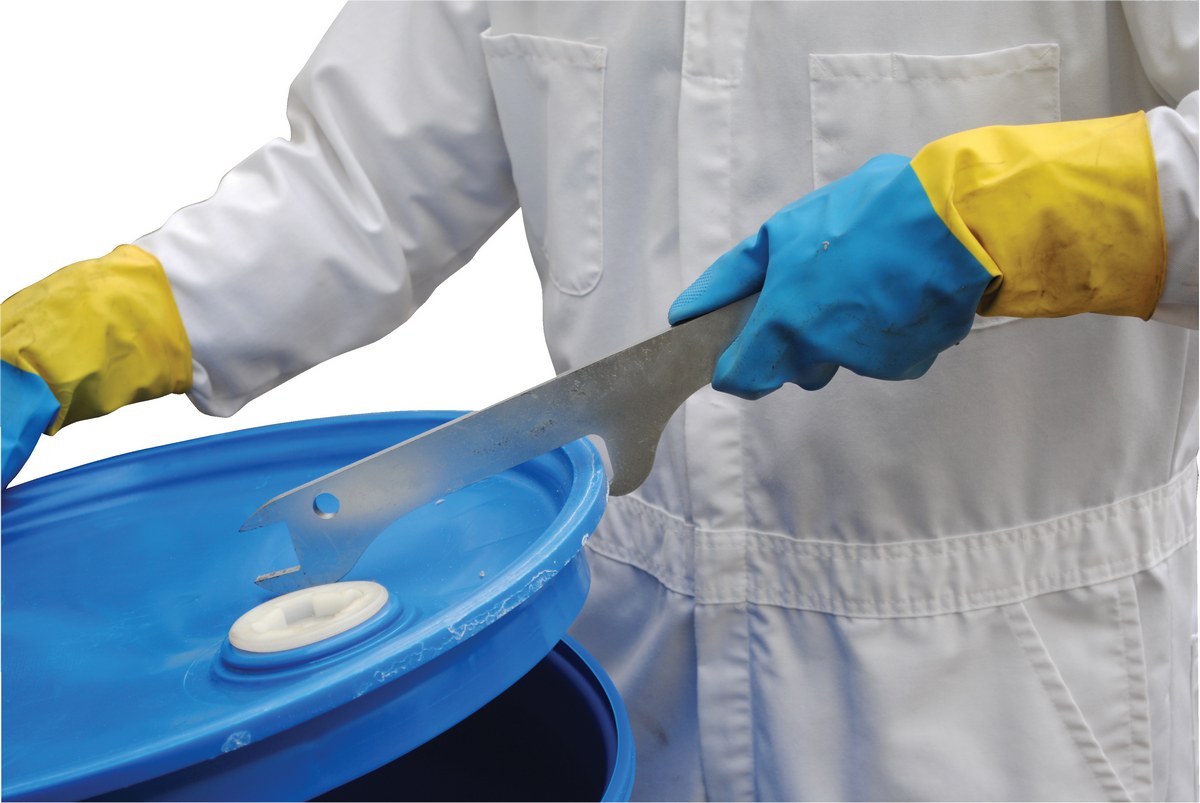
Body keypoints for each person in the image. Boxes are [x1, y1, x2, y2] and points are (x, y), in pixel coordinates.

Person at [2, 3, 1196, 800]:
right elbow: (357, 184)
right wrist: (94, 326)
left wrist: (1033, 213)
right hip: (631, 664)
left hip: (1009, 697)